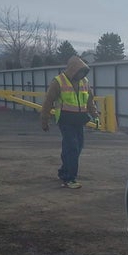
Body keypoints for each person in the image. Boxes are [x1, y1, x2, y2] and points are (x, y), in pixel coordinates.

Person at [40, 56, 99, 189]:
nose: (82, 74)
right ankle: (69, 178)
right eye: (80, 71)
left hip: (79, 120)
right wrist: (45, 120)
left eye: (84, 71)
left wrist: (95, 115)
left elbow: (90, 101)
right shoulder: (58, 81)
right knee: (72, 147)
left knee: (77, 147)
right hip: (65, 120)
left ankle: (64, 171)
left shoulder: (84, 81)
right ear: (73, 70)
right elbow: (48, 102)